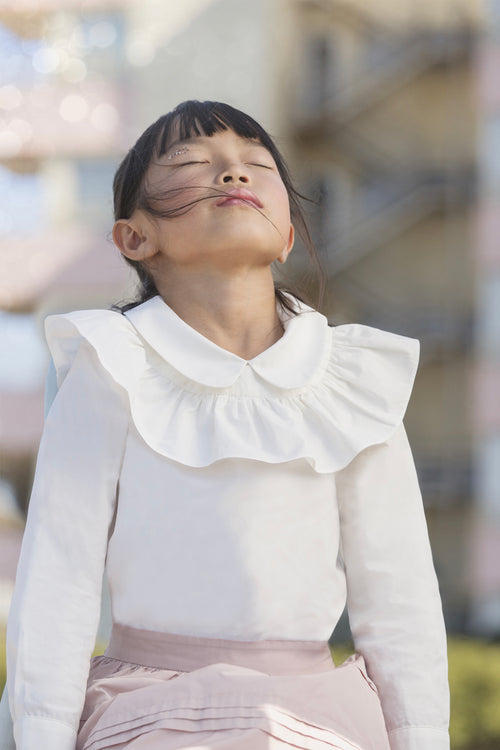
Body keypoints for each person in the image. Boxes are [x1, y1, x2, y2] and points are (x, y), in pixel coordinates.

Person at [2, 100, 450, 750]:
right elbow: (58, 578)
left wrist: (421, 738)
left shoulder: (352, 379)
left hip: (318, 717)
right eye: (192, 166)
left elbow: (399, 595)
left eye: (255, 165)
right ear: (134, 238)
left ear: (288, 233)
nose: (233, 175)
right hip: (147, 711)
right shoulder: (112, 365)